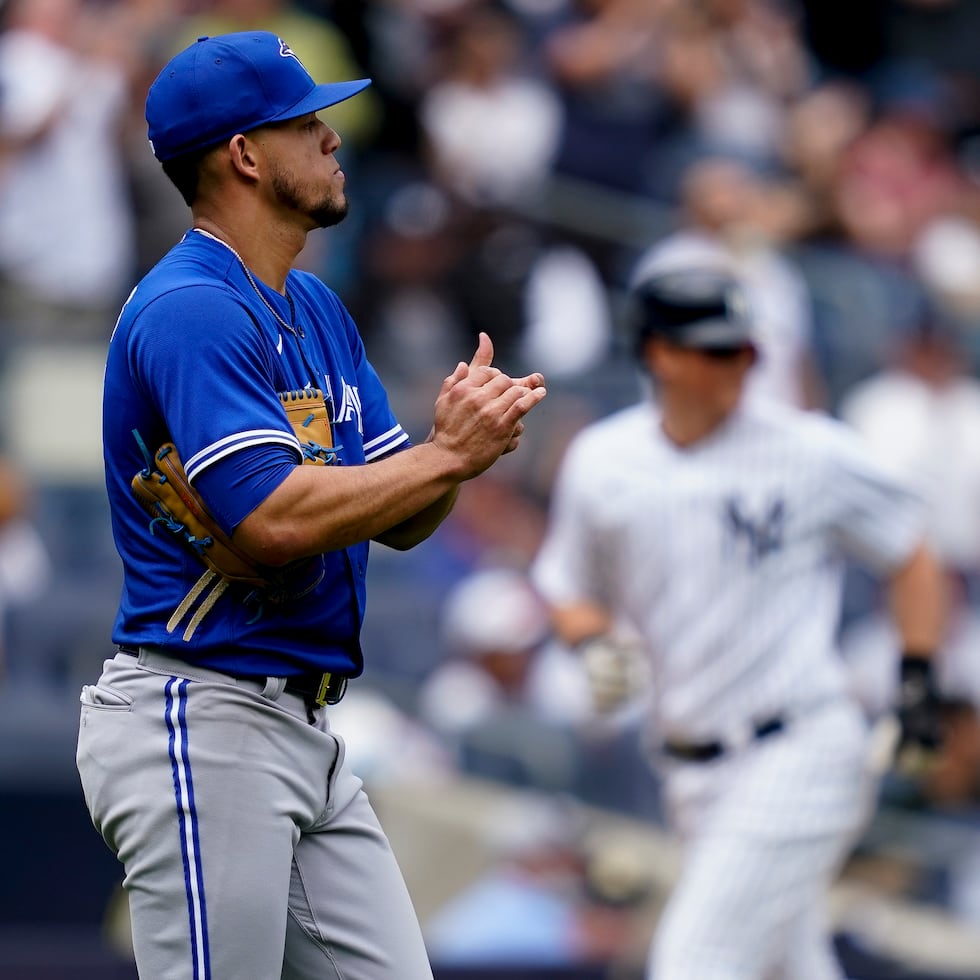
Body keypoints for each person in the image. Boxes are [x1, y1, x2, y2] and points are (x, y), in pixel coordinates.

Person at [74, 31, 547, 980]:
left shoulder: (316, 308)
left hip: (307, 733)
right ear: (245, 155)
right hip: (203, 715)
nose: (333, 138)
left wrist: (453, 456)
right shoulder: (193, 307)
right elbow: (274, 520)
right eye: (305, 121)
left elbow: (402, 519)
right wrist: (442, 458)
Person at [530, 265, 947, 980]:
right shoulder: (605, 460)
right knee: (790, 963)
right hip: (688, 765)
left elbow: (911, 552)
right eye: (717, 349)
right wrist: (591, 642)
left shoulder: (809, 449)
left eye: (745, 350)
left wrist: (916, 682)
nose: (739, 365)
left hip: (799, 744)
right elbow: (568, 586)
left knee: (696, 961)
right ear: (658, 353)